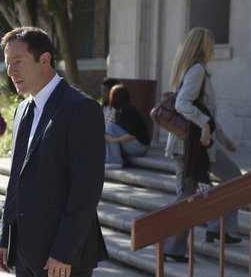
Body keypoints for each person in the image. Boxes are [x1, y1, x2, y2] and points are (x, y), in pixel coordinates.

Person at [0, 27, 108, 277]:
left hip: (63, 258)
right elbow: (16, 178)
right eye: (7, 63)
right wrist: (4, 234)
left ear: (45, 60)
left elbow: (86, 189)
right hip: (25, 253)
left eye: (18, 61)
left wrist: (62, 251)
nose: (11, 70)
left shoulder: (81, 109)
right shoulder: (22, 111)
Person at [163, 27, 242, 262]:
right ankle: (178, 242)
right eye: (211, 44)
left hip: (194, 145)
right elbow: (183, 104)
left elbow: (204, 111)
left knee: (190, 193)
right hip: (194, 146)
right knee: (229, 181)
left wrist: (224, 137)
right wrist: (206, 124)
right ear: (203, 46)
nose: (213, 49)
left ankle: (214, 230)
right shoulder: (196, 70)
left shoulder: (191, 69)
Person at [104, 84, 151, 169]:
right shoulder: (119, 111)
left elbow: (131, 135)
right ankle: (109, 160)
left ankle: (115, 161)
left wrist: (113, 140)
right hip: (134, 146)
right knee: (108, 130)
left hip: (140, 147)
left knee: (110, 127)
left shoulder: (127, 111)